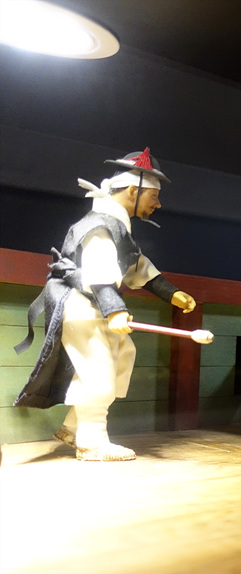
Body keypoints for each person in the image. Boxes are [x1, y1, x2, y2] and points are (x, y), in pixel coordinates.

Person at [13, 149, 196, 461]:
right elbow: (99, 272)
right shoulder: (100, 225)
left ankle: (74, 428)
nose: (158, 204)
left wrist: (171, 293)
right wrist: (115, 310)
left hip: (94, 305)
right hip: (80, 305)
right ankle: (92, 441)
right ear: (134, 191)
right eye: (154, 195)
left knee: (120, 356)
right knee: (99, 369)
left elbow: (137, 267)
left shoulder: (115, 225)